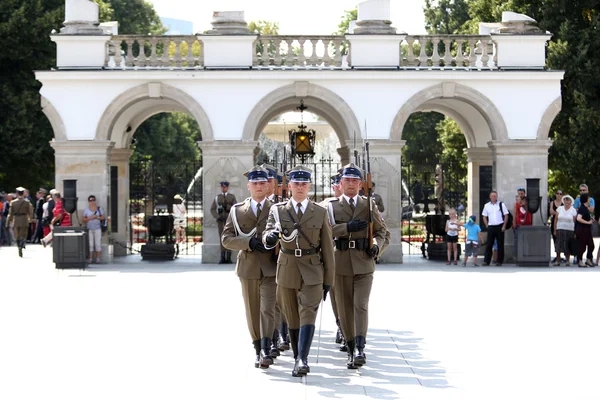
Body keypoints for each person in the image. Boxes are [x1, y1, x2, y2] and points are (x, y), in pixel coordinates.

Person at [262, 165, 335, 377]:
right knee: (292, 316)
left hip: (312, 269)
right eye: (297, 184)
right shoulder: (278, 211)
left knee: (308, 313)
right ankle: (297, 357)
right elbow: (267, 233)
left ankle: (303, 358)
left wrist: (328, 280)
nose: (300, 187)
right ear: (289, 186)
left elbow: (328, 250)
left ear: (309, 186)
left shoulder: (319, 212)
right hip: (287, 269)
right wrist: (270, 238)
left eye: (304, 184)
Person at [327, 163, 389, 369]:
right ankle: (351, 347)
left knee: (360, 305)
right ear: (341, 183)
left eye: (355, 181)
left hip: (364, 262)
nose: (351, 184)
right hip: (340, 262)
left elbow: (383, 233)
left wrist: (376, 246)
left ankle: (361, 347)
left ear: (361, 184)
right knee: (344, 309)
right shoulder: (330, 206)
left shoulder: (369, 205)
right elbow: (323, 234)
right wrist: (346, 228)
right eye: (348, 180)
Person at [222, 165, 277, 369]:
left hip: (271, 266)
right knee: (252, 310)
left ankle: (266, 347)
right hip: (248, 267)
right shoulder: (238, 211)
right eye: (255, 183)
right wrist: (248, 243)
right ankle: (257, 348)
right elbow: (226, 239)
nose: (259, 186)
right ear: (249, 186)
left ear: (268, 184)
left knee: (268, 308)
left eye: (263, 183)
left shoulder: (278, 209)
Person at [319, 173, 345, 351]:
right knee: (337, 296)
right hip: (334, 253)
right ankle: (341, 326)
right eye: (335, 185)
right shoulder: (325, 206)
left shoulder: (362, 204)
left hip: (354, 257)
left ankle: (351, 329)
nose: (338, 188)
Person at [210, 181, 237, 264]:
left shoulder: (231, 197)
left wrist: (227, 206)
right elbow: (212, 209)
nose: (223, 188)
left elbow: (235, 207)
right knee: (222, 238)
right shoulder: (217, 197)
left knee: (229, 237)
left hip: (229, 221)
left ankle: (228, 257)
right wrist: (218, 217)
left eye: (225, 187)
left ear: (227, 187)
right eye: (222, 187)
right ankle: (222, 257)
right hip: (221, 221)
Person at [482, 191, 509, 266]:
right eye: (492, 196)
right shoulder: (486, 206)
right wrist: (487, 225)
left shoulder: (501, 205)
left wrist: (504, 225)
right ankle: (486, 261)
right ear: (490, 197)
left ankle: (499, 261)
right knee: (489, 244)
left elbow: (506, 215)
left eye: (495, 196)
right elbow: (484, 216)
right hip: (491, 226)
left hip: (499, 226)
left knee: (500, 244)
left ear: (497, 197)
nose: (493, 197)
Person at [5, 187, 33, 257]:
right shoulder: (27, 202)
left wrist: (7, 223)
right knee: (24, 234)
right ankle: (22, 243)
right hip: (24, 219)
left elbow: (10, 214)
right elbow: (30, 211)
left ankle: (19, 246)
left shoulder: (13, 202)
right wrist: (30, 219)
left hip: (16, 220)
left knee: (17, 235)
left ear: (17, 193)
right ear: (23, 193)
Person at [553, 195, 576, 267]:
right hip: (560, 228)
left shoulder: (573, 210)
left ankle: (567, 260)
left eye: (568, 200)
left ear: (571, 201)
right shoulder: (559, 208)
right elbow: (556, 219)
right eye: (565, 200)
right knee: (558, 244)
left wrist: (575, 232)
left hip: (570, 229)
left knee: (568, 245)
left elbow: (575, 221)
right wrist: (555, 230)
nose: (566, 201)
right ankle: (558, 260)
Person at [82, 195, 106, 264]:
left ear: (95, 201)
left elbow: (103, 217)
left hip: (97, 228)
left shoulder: (99, 209)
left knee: (98, 243)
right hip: (90, 228)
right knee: (91, 244)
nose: (92, 202)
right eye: (90, 200)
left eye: (93, 200)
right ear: (88, 202)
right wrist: (89, 218)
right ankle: (90, 258)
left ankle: (98, 258)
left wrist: (96, 217)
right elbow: (83, 219)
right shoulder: (86, 210)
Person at [575, 193, 595, 267]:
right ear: (586, 199)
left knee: (591, 245)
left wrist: (590, 220)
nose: (590, 199)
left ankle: (588, 260)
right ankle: (580, 261)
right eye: (589, 198)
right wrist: (588, 222)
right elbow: (578, 218)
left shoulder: (586, 208)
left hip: (586, 230)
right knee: (582, 246)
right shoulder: (582, 208)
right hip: (582, 230)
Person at [549, 190, 564, 262]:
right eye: (557, 193)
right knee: (555, 239)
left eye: (560, 194)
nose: (559, 195)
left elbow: (564, 213)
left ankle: (561, 256)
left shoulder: (563, 203)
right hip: (553, 223)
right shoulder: (552, 203)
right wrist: (558, 213)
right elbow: (551, 212)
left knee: (561, 239)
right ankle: (557, 255)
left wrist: (556, 213)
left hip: (561, 222)